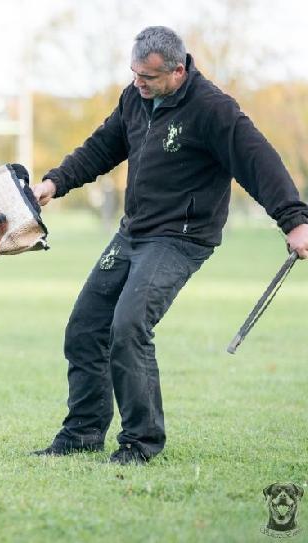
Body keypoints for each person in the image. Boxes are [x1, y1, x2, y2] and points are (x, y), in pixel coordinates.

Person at [30, 26, 308, 465]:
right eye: (134, 73)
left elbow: (259, 161)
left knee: (129, 326)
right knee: (85, 327)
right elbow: (102, 147)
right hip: (134, 231)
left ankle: (140, 443)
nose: (138, 83)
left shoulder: (213, 109)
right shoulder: (134, 98)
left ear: (178, 71)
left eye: (148, 77)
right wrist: (55, 182)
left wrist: (294, 220)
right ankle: (82, 434)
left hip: (179, 238)